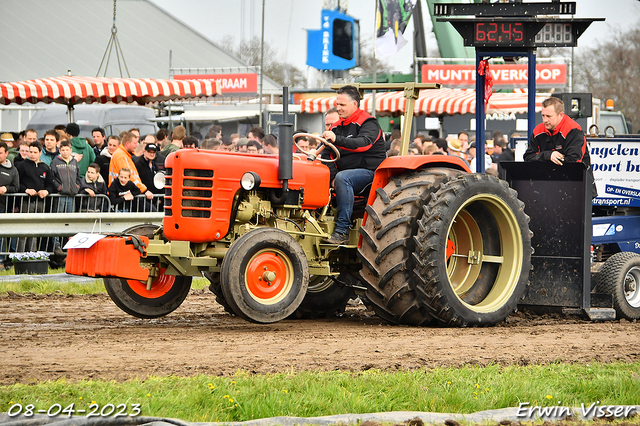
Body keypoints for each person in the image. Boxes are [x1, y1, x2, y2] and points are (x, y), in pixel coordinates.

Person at [320, 85, 386, 245]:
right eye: (337, 104)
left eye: (342, 105)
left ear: (355, 104)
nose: (338, 108)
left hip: (371, 174)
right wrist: (332, 178)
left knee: (344, 178)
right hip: (344, 175)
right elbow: (325, 154)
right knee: (318, 173)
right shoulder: (337, 126)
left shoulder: (369, 123)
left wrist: (337, 139)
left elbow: (363, 144)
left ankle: (342, 230)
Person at [524, 96, 596, 197]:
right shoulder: (538, 131)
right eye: (543, 116)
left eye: (549, 116)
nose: (545, 120)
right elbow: (528, 157)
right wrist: (549, 156)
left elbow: (574, 161)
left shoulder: (573, 130)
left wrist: (544, 159)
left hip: (578, 186)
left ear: (560, 115)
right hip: (548, 187)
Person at [109, 131, 154, 202]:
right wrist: (144, 190)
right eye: (135, 143)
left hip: (125, 193)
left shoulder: (125, 155)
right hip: (122, 194)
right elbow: (129, 176)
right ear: (127, 143)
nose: (137, 145)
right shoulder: (121, 156)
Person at [51, 140, 81, 212]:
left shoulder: (74, 162)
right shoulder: (55, 161)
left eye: (67, 150)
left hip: (72, 193)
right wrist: (59, 187)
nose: (65, 152)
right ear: (60, 151)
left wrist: (77, 186)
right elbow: (52, 177)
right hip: (60, 194)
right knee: (59, 214)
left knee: (70, 216)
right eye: (63, 150)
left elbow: (78, 176)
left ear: (71, 150)